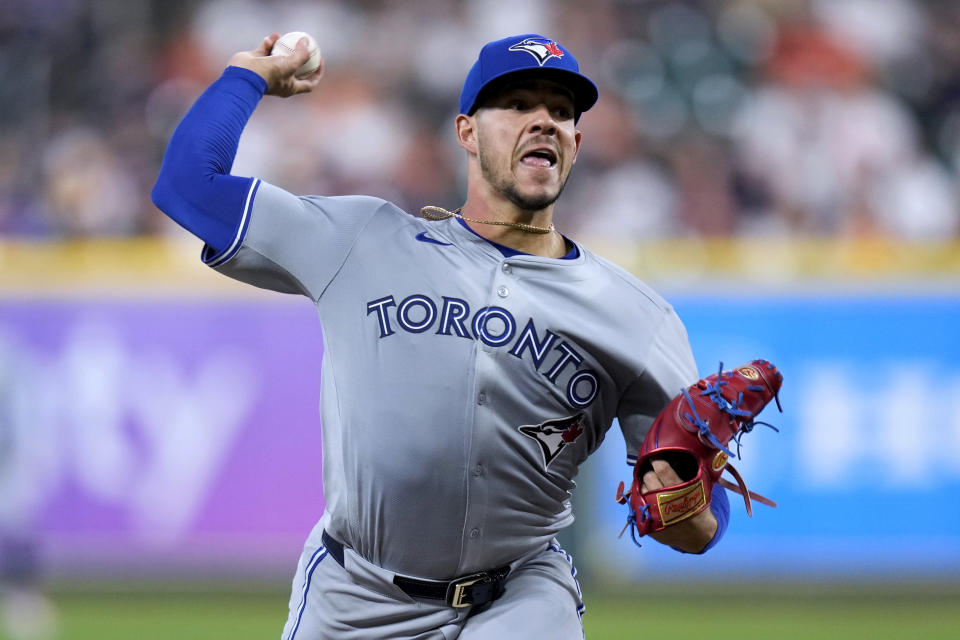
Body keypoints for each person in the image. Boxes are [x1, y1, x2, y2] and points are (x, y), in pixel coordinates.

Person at [152, 32, 729, 640]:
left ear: (577, 144)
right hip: (354, 597)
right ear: (467, 133)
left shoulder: (636, 316)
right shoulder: (362, 239)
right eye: (517, 104)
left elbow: (698, 523)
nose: (544, 122)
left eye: (561, 111)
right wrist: (247, 77)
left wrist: (682, 509)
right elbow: (187, 185)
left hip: (522, 599)